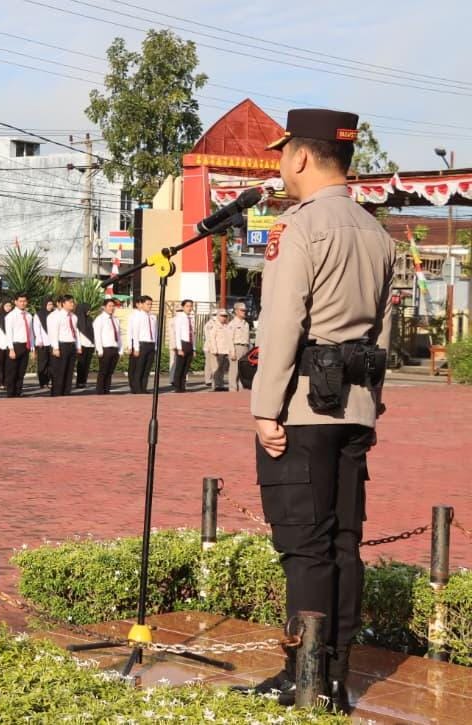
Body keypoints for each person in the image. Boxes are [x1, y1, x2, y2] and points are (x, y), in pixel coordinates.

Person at [234, 109, 395, 713]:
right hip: (355, 404)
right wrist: (371, 402)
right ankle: (335, 678)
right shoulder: (376, 232)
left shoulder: (297, 226)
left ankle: (301, 677)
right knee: (344, 543)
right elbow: (382, 331)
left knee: (304, 546)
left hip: (301, 406)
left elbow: (283, 323)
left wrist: (264, 407)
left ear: (300, 156)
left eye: (282, 154)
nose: (281, 165)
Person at [1, 292, 42, 398]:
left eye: (24, 301)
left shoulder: (28, 316)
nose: (23, 303)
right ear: (15, 302)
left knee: (21, 372)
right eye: (20, 301)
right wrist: (11, 349)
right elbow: (9, 334)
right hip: (15, 346)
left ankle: (18, 392)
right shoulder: (10, 316)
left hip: (25, 346)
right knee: (12, 372)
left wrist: (32, 348)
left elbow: (31, 333)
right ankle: (11, 393)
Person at [46, 295, 80, 397]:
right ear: (63, 304)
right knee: (59, 372)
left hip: (71, 345)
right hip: (61, 345)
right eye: (70, 302)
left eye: (73, 302)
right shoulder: (56, 316)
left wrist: (78, 346)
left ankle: (66, 393)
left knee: (69, 372)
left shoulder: (74, 317)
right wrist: (55, 347)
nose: (72, 304)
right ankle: (57, 394)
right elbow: (53, 332)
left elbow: (76, 332)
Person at [127, 295, 157, 394]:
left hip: (151, 344)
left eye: (151, 304)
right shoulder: (137, 316)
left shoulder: (153, 317)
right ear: (142, 304)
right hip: (141, 344)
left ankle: (144, 387)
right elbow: (135, 333)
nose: (150, 306)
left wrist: (155, 346)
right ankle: (137, 388)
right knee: (139, 368)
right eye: (147, 304)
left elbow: (156, 333)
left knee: (147, 368)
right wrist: (136, 348)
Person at [93, 298, 122, 395]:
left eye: (113, 306)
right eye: (109, 306)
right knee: (103, 371)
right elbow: (97, 336)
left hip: (114, 348)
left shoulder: (115, 319)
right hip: (105, 349)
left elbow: (119, 335)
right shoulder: (100, 319)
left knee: (110, 372)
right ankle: (100, 391)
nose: (112, 308)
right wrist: (99, 349)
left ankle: (107, 390)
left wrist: (120, 348)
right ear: (104, 307)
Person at [171, 300, 196, 392]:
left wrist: (194, 348)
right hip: (182, 343)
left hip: (189, 344)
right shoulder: (179, 318)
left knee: (186, 368)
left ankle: (182, 386)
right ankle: (177, 387)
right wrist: (179, 348)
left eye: (191, 306)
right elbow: (177, 333)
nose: (189, 308)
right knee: (180, 367)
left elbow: (193, 334)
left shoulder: (191, 318)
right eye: (187, 306)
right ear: (183, 307)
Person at [227, 302, 252, 391]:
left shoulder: (246, 324)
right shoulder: (232, 324)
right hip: (236, 347)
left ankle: (241, 389)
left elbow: (248, 338)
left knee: (243, 370)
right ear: (236, 311)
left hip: (245, 347)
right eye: (242, 310)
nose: (244, 312)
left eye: (245, 310)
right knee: (234, 370)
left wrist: (249, 350)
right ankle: (233, 389)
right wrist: (232, 352)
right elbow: (229, 339)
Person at [205, 309, 231, 392]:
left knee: (222, 369)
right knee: (215, 369)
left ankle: (221, 385)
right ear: (218, 316)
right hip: (217, 351)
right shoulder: (214, 325)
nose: (224, 317)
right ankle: (215, 385)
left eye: (225, 316)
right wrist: (214, 350)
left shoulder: (226, 326)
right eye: (222, 316)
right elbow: (212, 338)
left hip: (224, 351)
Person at [74, 302, 96, 390]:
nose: (89, 311)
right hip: (81, 346)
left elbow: (93, 333)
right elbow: (77, 335)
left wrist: (94, 344)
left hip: (90, 345)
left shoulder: (90, 319)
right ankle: (79, 382)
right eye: (87, 309)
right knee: (81, 365)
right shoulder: (77, 320)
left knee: (87, 365)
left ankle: (84, 381)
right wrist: (78, 346)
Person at [35, 299, 56, 389]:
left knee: (52, 363)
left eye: (51, 304)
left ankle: (50, 380)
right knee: (42, 364)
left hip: (52, 343)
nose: (50, 306)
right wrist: (39, 340)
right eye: (49, 304)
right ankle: (43, 382)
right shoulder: (39, 315)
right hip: (42, 343)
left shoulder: (54, 314)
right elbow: (37, 328)